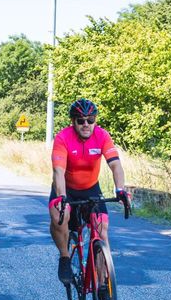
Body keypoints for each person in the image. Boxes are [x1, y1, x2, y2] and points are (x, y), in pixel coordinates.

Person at [49, 98, 130, 290]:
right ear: (73, 121)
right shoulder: (63, 138)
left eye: (90, 120)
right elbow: (58, 171)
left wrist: (120, 189)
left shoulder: (102, 136)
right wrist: (61, 197)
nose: (86, 124)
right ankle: (65, 257)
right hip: (66, 189)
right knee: (60, 218)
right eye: (81, 120)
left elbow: (116, 165)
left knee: (102, 232)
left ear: (95, 120)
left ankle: (101, 285)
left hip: (91, 188)